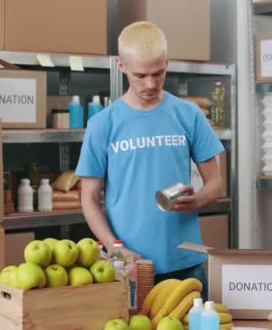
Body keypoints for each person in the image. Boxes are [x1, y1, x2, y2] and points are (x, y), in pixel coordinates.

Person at [75, 21, 224, 298]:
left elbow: (215, 185)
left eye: (159, 73)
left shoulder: (188, 115)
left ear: (167, 62)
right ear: (121, 66)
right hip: (128, 265)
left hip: (185, 263)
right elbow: (89, 199)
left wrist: (200, 199)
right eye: (140, 75)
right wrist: (115, 247)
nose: (151, 84)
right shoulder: (103, 124)